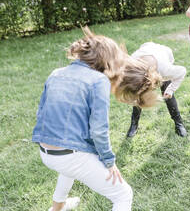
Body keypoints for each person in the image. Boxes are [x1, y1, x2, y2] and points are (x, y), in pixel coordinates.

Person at [32, 27, 157, 211]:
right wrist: (109, 161)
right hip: (68, 155)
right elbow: (99, 130)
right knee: (123, 195)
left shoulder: (55, 73)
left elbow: (40, 114)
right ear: (106, 59)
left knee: (70, 167)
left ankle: (57, 208)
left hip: (46, 152)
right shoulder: (99, 81)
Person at [123, 42, 188, 138]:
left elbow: (182, 71)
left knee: (167, 93)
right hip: (146, 50)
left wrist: (171, 90)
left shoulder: (165, 69)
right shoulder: (132, 65)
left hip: (163, 55)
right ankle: (134, 124)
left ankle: (178, 123)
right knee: (138, 95)